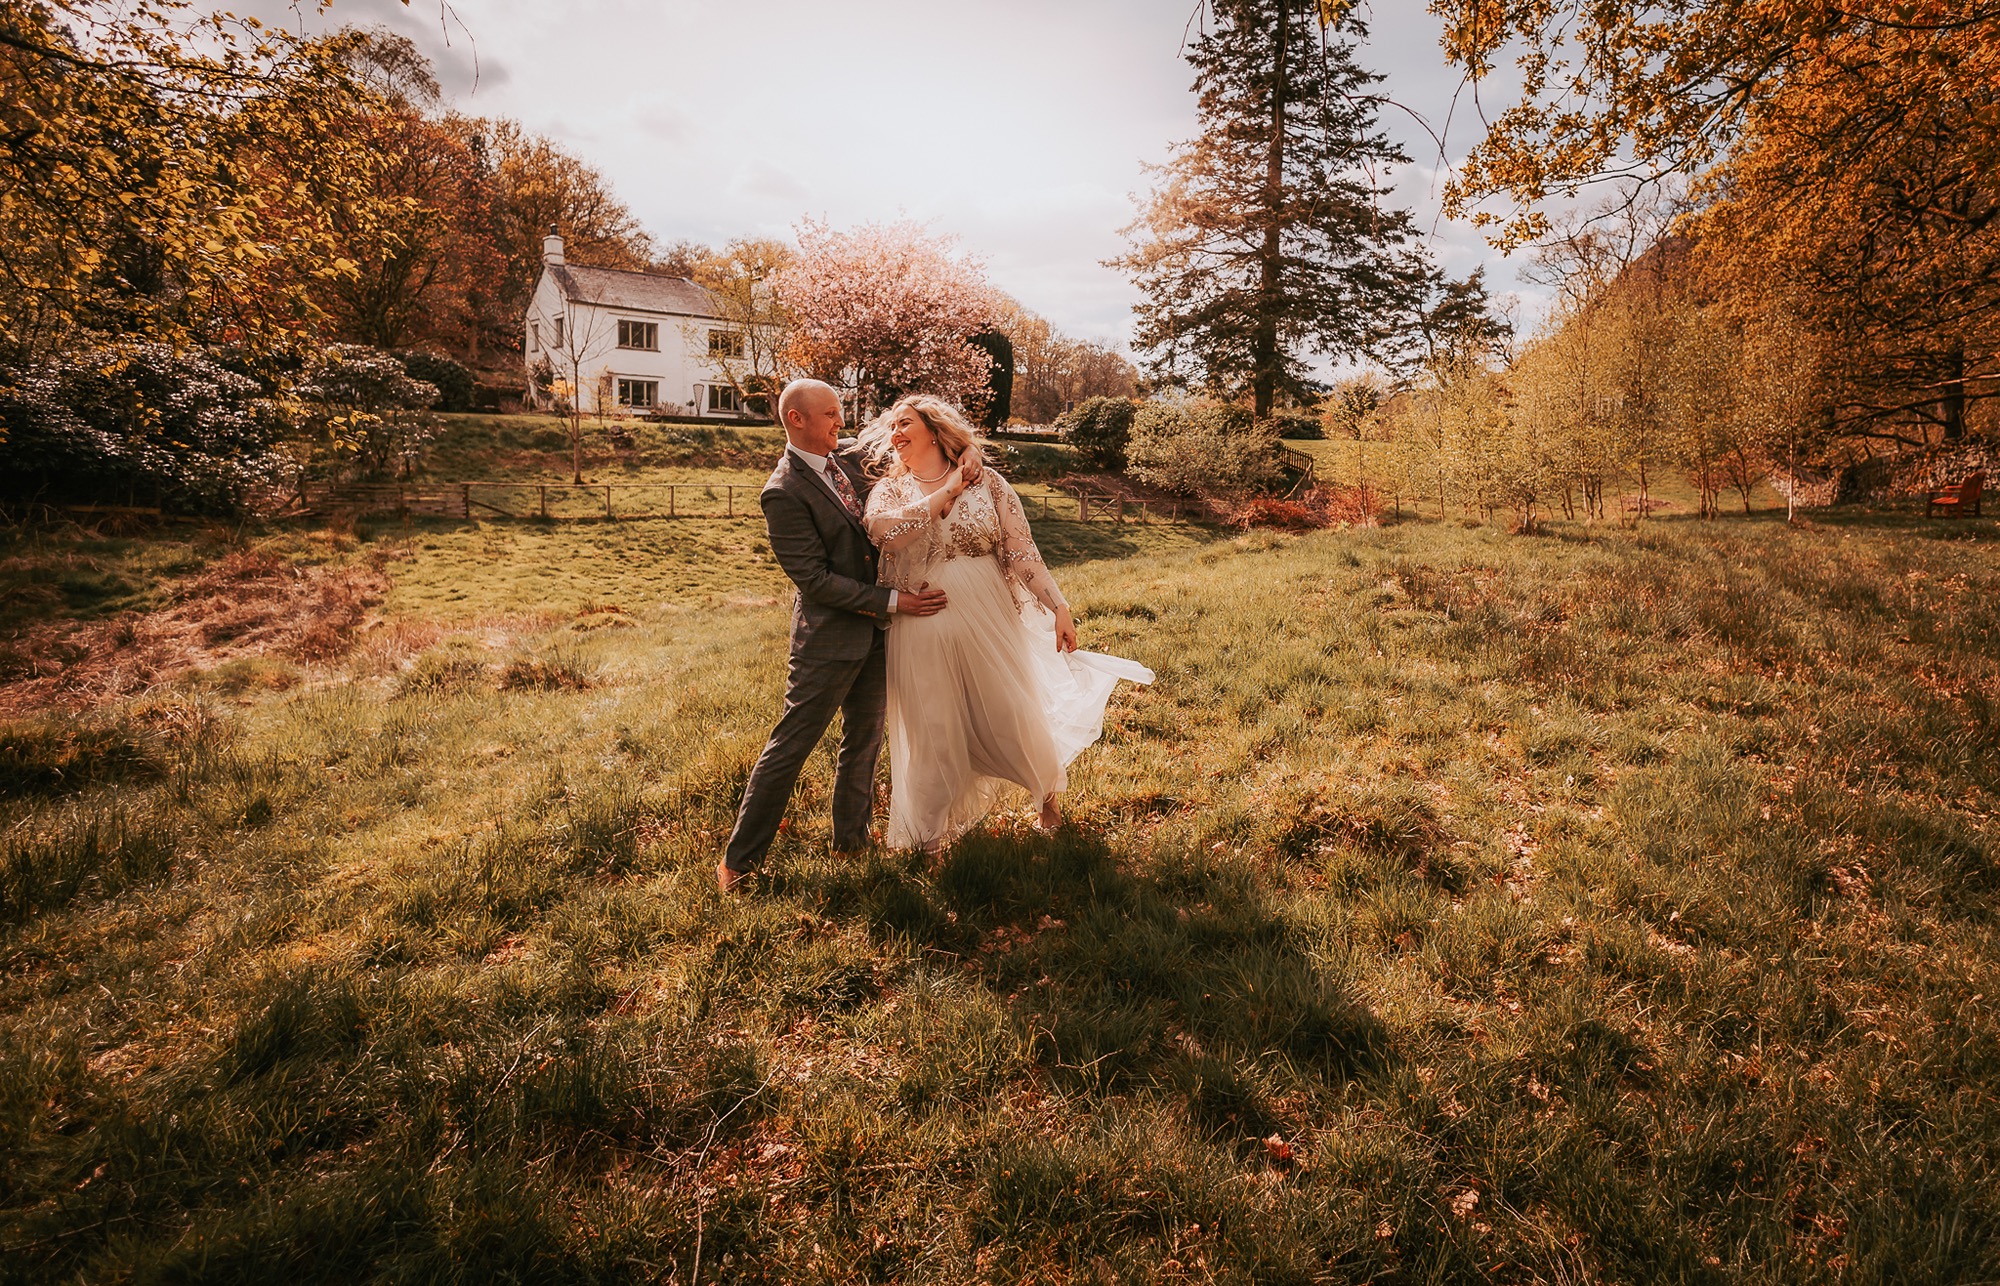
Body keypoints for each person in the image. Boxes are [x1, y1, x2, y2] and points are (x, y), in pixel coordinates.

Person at [859, 394, 1152, 853]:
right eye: (891, 427)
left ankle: (1047, 801)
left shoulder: (989, 484)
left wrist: (1058, 606)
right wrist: (949, 489)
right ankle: (927, 838)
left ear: (935, 431)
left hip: (988, 616)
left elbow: (1020, 551)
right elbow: (882, 532)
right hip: (923, 621)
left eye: (904, 424)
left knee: (1010, 711)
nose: (894, 434)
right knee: (933, 727)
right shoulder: (890, 490)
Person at [718, 379, 948, 892]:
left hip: (877, 635)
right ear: (796, 419)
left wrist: (966, 466)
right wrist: (897, 602)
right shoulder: (782, 492)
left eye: (841, 413)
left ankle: (850, 844)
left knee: (864, 741)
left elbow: (916, 441)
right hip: (827, 641)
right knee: (792, 746)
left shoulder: (849, 459)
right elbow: (815, 581)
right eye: (830, 414)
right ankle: (738, 863)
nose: (840, 423)